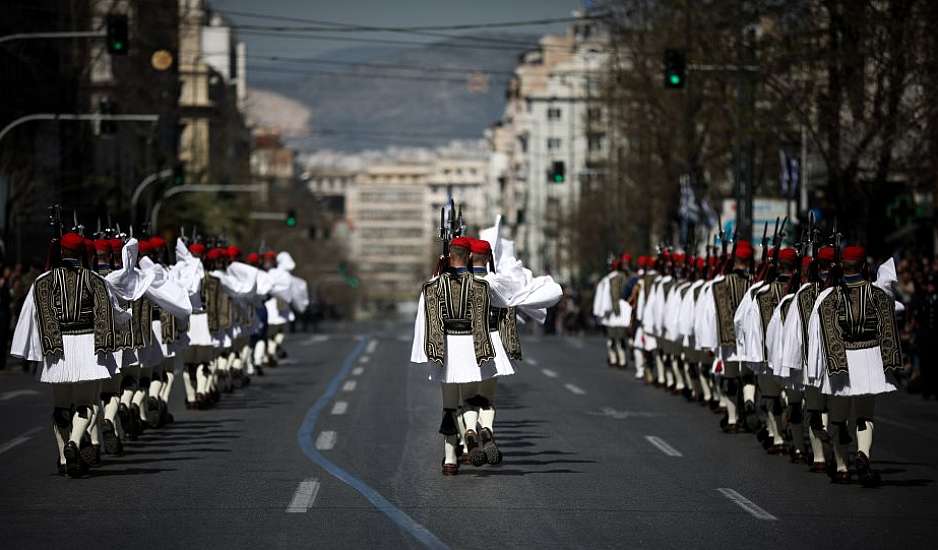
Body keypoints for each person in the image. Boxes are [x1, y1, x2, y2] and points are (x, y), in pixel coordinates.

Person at [806, 245, 902, 486]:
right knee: (864, 416)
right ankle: (863, 454)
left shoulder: (830, 297)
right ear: (864, 266)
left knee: (838, 419)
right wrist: (890, 363)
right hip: (869, 360)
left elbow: (826, 335)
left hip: (842, 361)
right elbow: (889, 327)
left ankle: (841, 467)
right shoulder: (878, 294)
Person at [411, 237, 503, 475]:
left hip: (446, 350)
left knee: (449, 406)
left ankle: (451, 459)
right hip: (472, 348)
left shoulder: (432, 285)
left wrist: (426, 353)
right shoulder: (481, 285)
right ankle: (471, 433)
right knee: (472, 398)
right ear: (469, 256)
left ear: (449, 254)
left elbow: (425, 320)